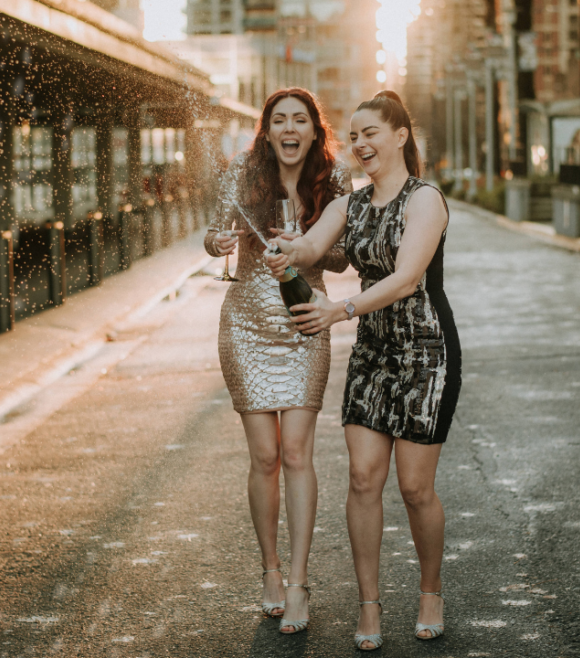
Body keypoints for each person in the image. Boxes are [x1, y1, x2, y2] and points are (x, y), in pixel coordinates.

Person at [265, 90, 460, 650]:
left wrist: (339, 309)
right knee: (362, 479)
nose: (360, 144)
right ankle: (369, 605)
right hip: (374, 352)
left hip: (425, 350)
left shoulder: (426, 200)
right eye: (353, 135)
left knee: (415, 488)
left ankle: (430, 591)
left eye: (371, 132)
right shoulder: (350, 204)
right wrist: (288, 249)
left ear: (400, 136)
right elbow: (310, 247)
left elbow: (403, 279)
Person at [204, 87, 352, 634]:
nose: (290, 129)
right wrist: (215, 241)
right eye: (279, 121)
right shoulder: (245, 174)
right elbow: (213, 233)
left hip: (304, 321)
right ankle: (268, 571)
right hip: (245, 322)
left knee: (296, 453)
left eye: (300, 120)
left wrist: (308, 243)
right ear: (266, 132)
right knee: (264, 457)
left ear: (315, 130)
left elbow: (341, 257)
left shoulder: (334, 181)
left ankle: (297, 582)